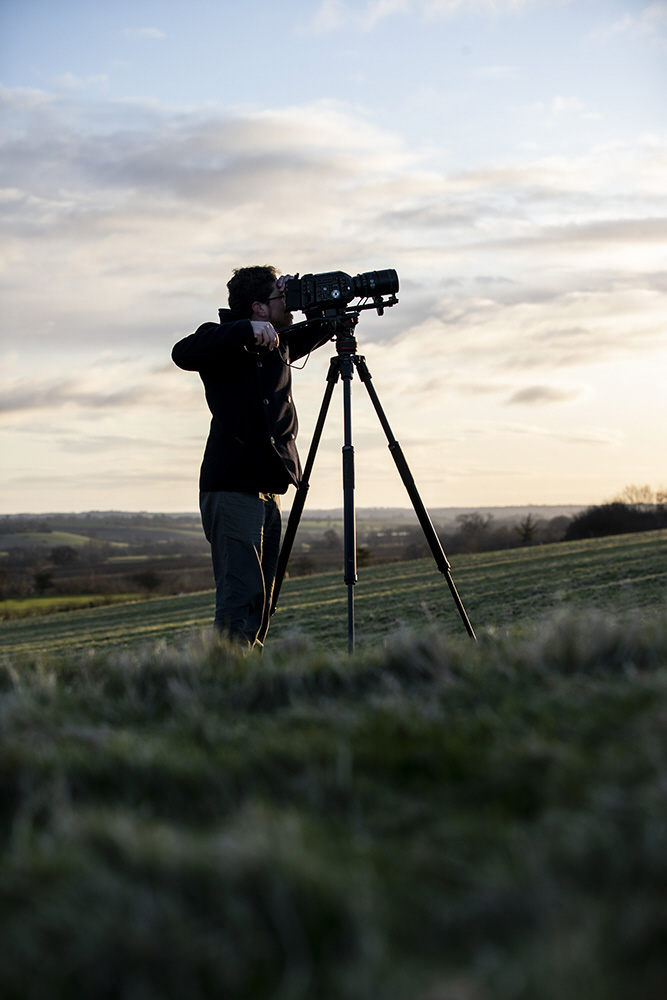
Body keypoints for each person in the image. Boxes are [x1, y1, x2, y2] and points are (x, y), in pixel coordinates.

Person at [172, 265, 330, 649]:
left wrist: (310, 297)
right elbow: (182, 352)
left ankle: (245, 676)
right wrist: (246, 329)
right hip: (232, 487)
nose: (287, 304)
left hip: (269, 488)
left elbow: (322, 326)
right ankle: (225, 675)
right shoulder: (222, 340)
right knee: (240, 596)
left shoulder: (281, 342)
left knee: (261, 602)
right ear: (258, 307)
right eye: (281, 297)